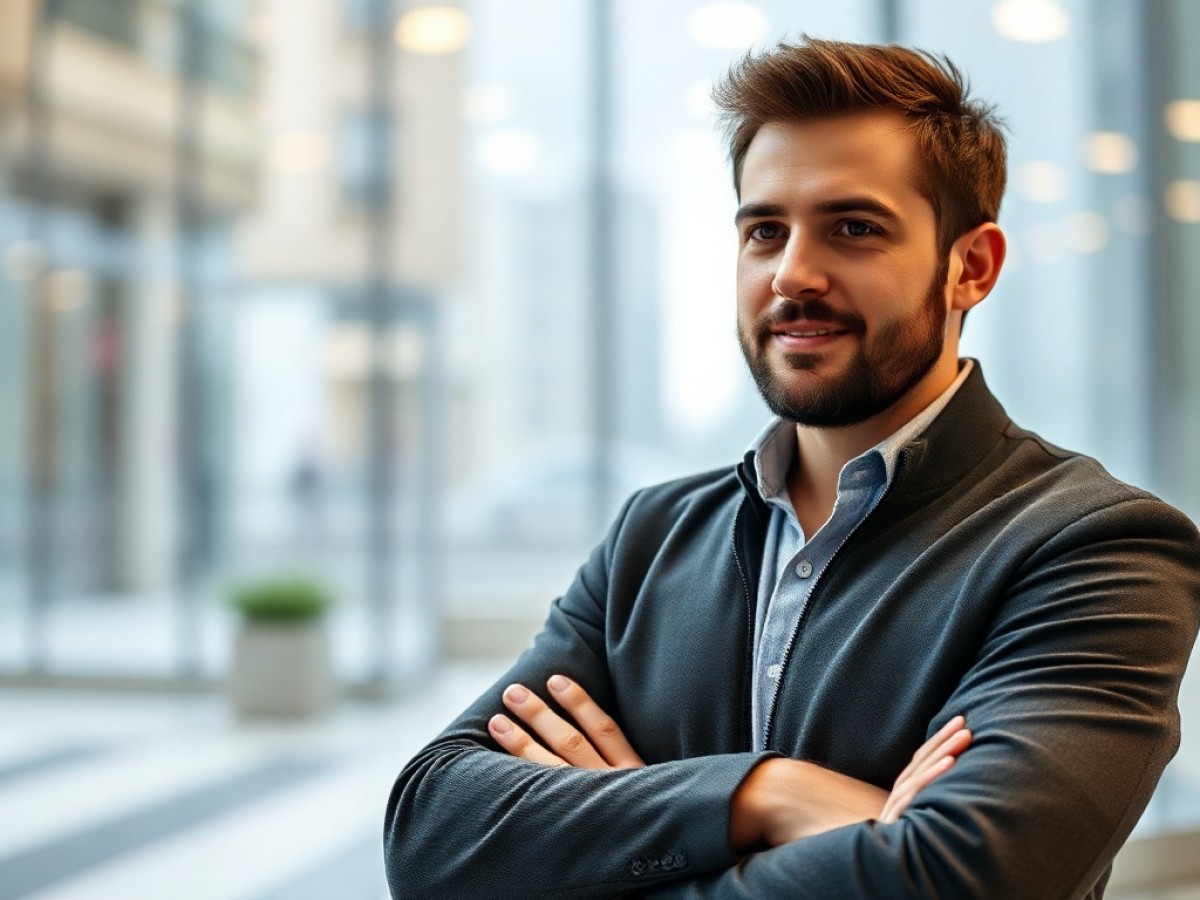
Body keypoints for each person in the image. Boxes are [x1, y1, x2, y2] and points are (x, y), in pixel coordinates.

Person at [384, 38, 1200, 899]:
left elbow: (966, 880)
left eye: (854, 228)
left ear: (972, 266)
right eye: (765, 230)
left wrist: (617, 838)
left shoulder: (1099, 548)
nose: (793, 274)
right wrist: (769, 795)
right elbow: (432, 834)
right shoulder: (651, 539)